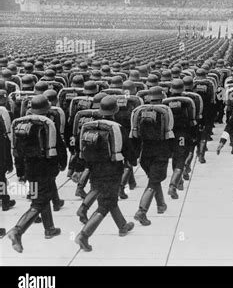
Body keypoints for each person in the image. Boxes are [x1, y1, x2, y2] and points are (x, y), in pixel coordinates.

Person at [75, 95, 136, 252]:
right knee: (105, 204)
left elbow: (80, 149)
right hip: (112, 170)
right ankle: (84, 234)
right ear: (115, 110)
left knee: (109, 199)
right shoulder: (116, 127)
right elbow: (128, 150)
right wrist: (132, 161)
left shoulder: (88, 126)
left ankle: (123, 226)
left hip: (94, 169)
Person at [7, 95, 67, 253]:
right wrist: (62, 164)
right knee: (39, 202)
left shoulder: (21, 123)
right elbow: (59, 147)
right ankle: (17, 231)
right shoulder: (48, 124)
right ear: (47, 109)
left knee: (39, 196)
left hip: (28, 168)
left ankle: (49, 228)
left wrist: (20, 171)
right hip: (45, 168)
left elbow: (16, 151)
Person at [132, 86, 174, 224]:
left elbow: (134, 134)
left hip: (145, 152)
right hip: (160, 151)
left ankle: (161, 205)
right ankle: (142, 210)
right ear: (162, 97)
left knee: (153, 179)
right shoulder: (165, 110)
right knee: (154, 181)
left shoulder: (138, 110)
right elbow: (170, 132)